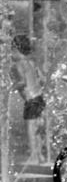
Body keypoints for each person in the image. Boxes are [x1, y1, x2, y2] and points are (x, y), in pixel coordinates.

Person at [11, 36, 45, 165]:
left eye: (11, 51)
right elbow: (41, 78)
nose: (11, 55)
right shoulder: (31, 62)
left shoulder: (19, 64)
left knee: (31, 128)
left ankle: (34, 157)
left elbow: (22, 82)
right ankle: (40, 155)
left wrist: (12, 87)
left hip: (30, 100)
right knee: (37, 128)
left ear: (16, 50)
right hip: (39, 97)